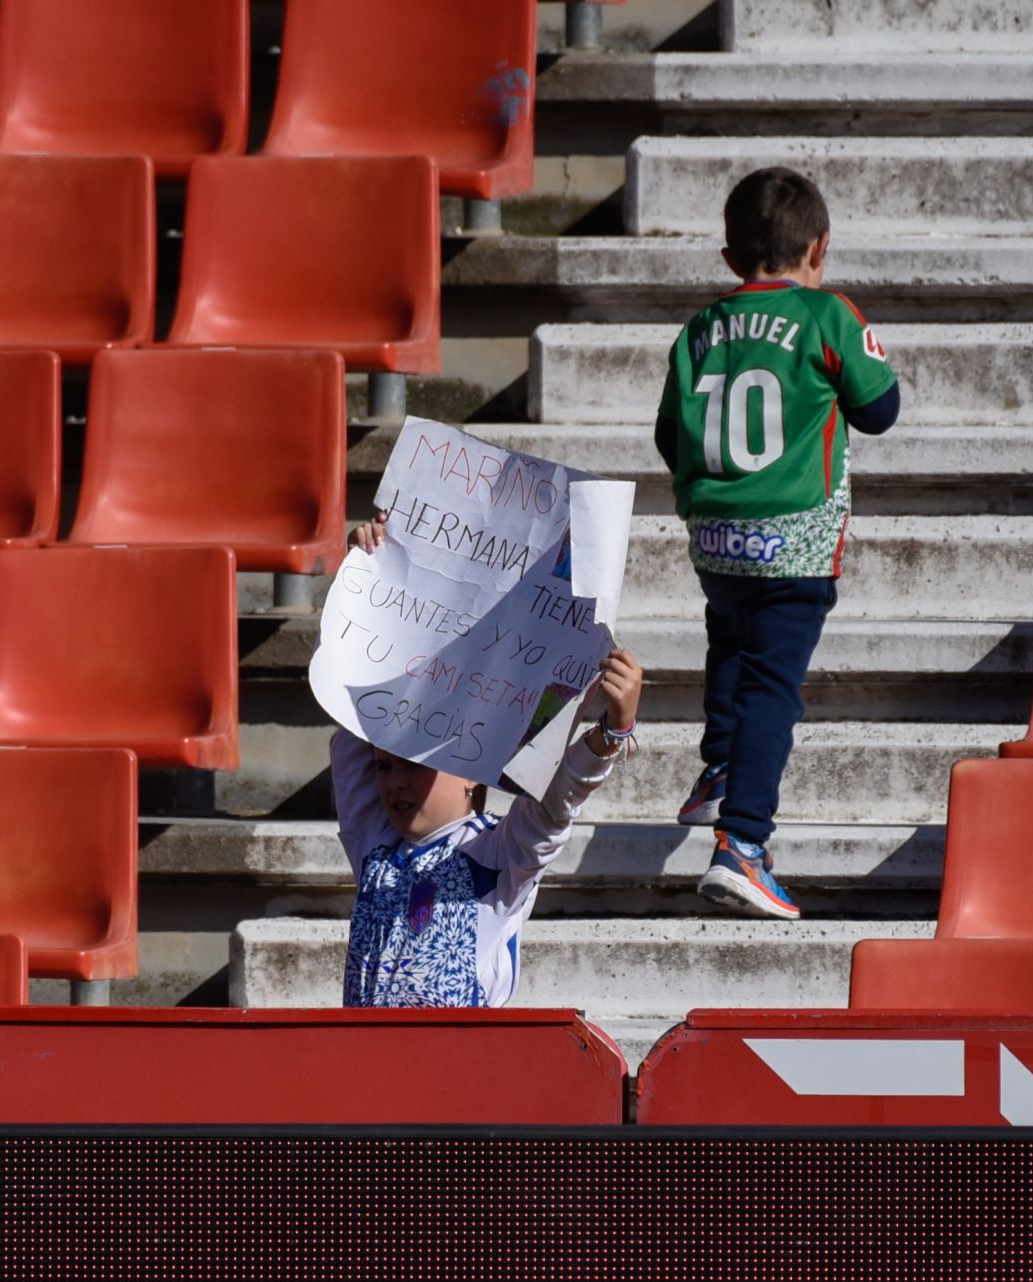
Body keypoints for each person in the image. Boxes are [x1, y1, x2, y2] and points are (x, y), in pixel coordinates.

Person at [654, 167, 900, 920]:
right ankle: (743, 845)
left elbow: (670, 435)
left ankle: (720, 768)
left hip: (716, 535)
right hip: (795, 537)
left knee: (729, 637)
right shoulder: (828, 316)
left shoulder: (699, 329)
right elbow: (880, 409)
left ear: (731, 260)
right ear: (819, 247)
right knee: (771, 684)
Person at [326, 537, 644, 1007]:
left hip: (462, 1070)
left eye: (415, 766)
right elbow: (352, 710)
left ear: (472, 771)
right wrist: (367, 580)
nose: (394, 782)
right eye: (384, 766)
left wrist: (610, 735)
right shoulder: (374, 848)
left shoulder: (498, 855)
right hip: (368, 1069)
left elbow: (553, 808)